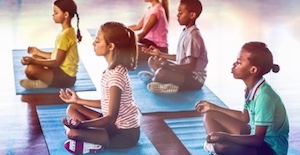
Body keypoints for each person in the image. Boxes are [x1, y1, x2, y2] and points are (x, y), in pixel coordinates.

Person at [59, 22, 140, 155]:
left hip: (124, 135)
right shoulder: (112, 70)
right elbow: (106, 103)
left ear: (111, 46)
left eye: (97, 41)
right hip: (112, 125)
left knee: (72, 133)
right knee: (72, 107)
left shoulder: (116, 77)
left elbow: (110, 118)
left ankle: (94, 144)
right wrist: (78, 100)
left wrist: (82, 125)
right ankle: (89, 136)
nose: (93, 44)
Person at [195, 42, 289, 155]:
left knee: (223, 147)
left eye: (239, 62)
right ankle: (215, 144)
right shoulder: (251, 88)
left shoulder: (264, 97)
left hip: (270, 148)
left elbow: (258, 140)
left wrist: (226, 137)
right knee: (210, 115)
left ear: (253, 70)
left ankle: (216, 147)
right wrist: (212, 107)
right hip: (255, 136)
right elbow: (244, 118)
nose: (234, 64)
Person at [138, 0, 208, 93]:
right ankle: (158, 80)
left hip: (194, 80)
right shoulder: (186, 31)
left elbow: (191, 66)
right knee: (153, 60)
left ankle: (165, 84)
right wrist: (160, 54)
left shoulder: (193, 36)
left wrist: (170, 66)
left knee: (162, 72)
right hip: (184, 73)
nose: (177, 15)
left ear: (192, 15)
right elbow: (181, 57)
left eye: (181, 13)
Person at [20, 0, 82, 89]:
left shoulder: (65, 36)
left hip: (66, 78)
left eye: (56, 13)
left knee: (30, 70)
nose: (53, 15)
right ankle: (45, 80)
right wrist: (37, 52)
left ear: (65, 15)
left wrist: (33, 61)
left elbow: (56, 62)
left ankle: (43, 83)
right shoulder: (68, 31)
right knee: (36, 57)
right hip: (61, 72)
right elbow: (55, 56)